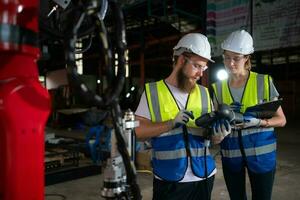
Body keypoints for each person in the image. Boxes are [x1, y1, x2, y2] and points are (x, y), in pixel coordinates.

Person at [135, 33, 225, 200]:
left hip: (204, 177)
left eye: (204, 68)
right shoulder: (153, 92)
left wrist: (218, 136)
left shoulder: (205, 94)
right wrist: (170, 124)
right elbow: (137, 132)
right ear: (182, 60)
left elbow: (210, 139)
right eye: (197, 66)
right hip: (169, 179)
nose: (200, 74)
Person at [211, 29, 287, 200]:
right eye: (227, 57)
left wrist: (259, 122)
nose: (230, 63)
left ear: (246, 58)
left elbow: (281, 120)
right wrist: (216, 132)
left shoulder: (263, 81)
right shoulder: (218, 87)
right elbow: (216, 122)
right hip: (231, 156)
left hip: (261, 156)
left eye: (236, 58)